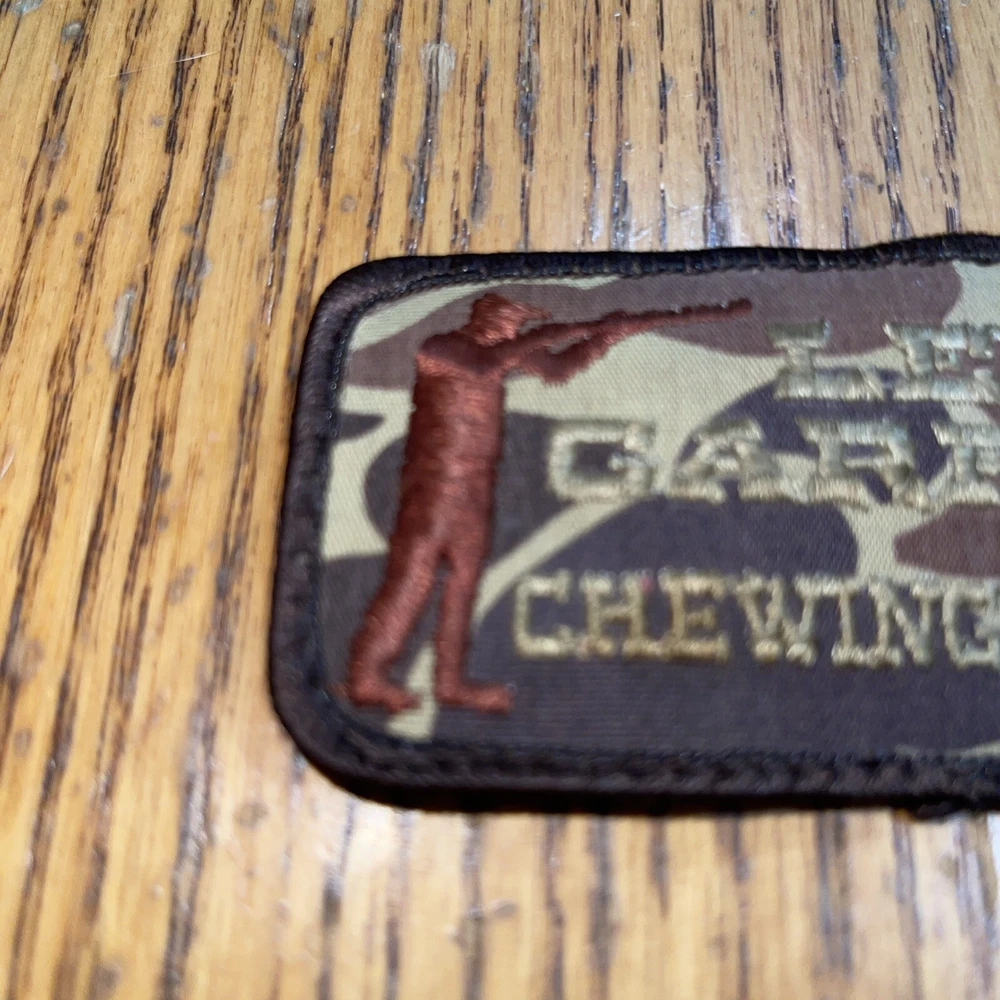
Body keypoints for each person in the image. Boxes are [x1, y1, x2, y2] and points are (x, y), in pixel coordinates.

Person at [342, 291, 749, 713]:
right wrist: (551, 333)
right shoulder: (444, 347)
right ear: (486, 318)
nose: (514, 329)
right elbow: (486, 364)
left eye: (518, 325)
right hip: (433, 488)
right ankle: (365, 676)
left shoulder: (506, 347)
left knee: (463, 585)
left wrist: (606, 337)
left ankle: (450, 683)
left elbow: (558, 370)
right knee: (413, 579)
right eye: (510, 322)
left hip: (475, 490)